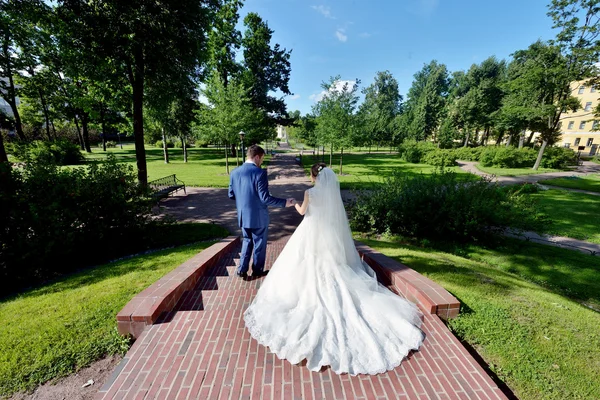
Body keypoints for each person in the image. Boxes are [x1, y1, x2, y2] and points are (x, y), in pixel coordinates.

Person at [243, 162, 424, 375]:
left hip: (310, 236)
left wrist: (294, 204)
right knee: (331, 267)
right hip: (328, 238)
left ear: (313, 177)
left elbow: (302, 212)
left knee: (303, 265)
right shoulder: (332, 194)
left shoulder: (309, 192)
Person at [228, 145, 295, 280]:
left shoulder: (234, 172)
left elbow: (231, 194)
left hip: (243, 215)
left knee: (247, 240)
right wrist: (285, 202)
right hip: (258, 216)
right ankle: (257, 270)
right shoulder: (260, 173)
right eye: (262, 158)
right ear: (257, 156)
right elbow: (265, 198)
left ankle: (242, 270)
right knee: (259, 243)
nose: (262, 162)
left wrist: (245, 201)